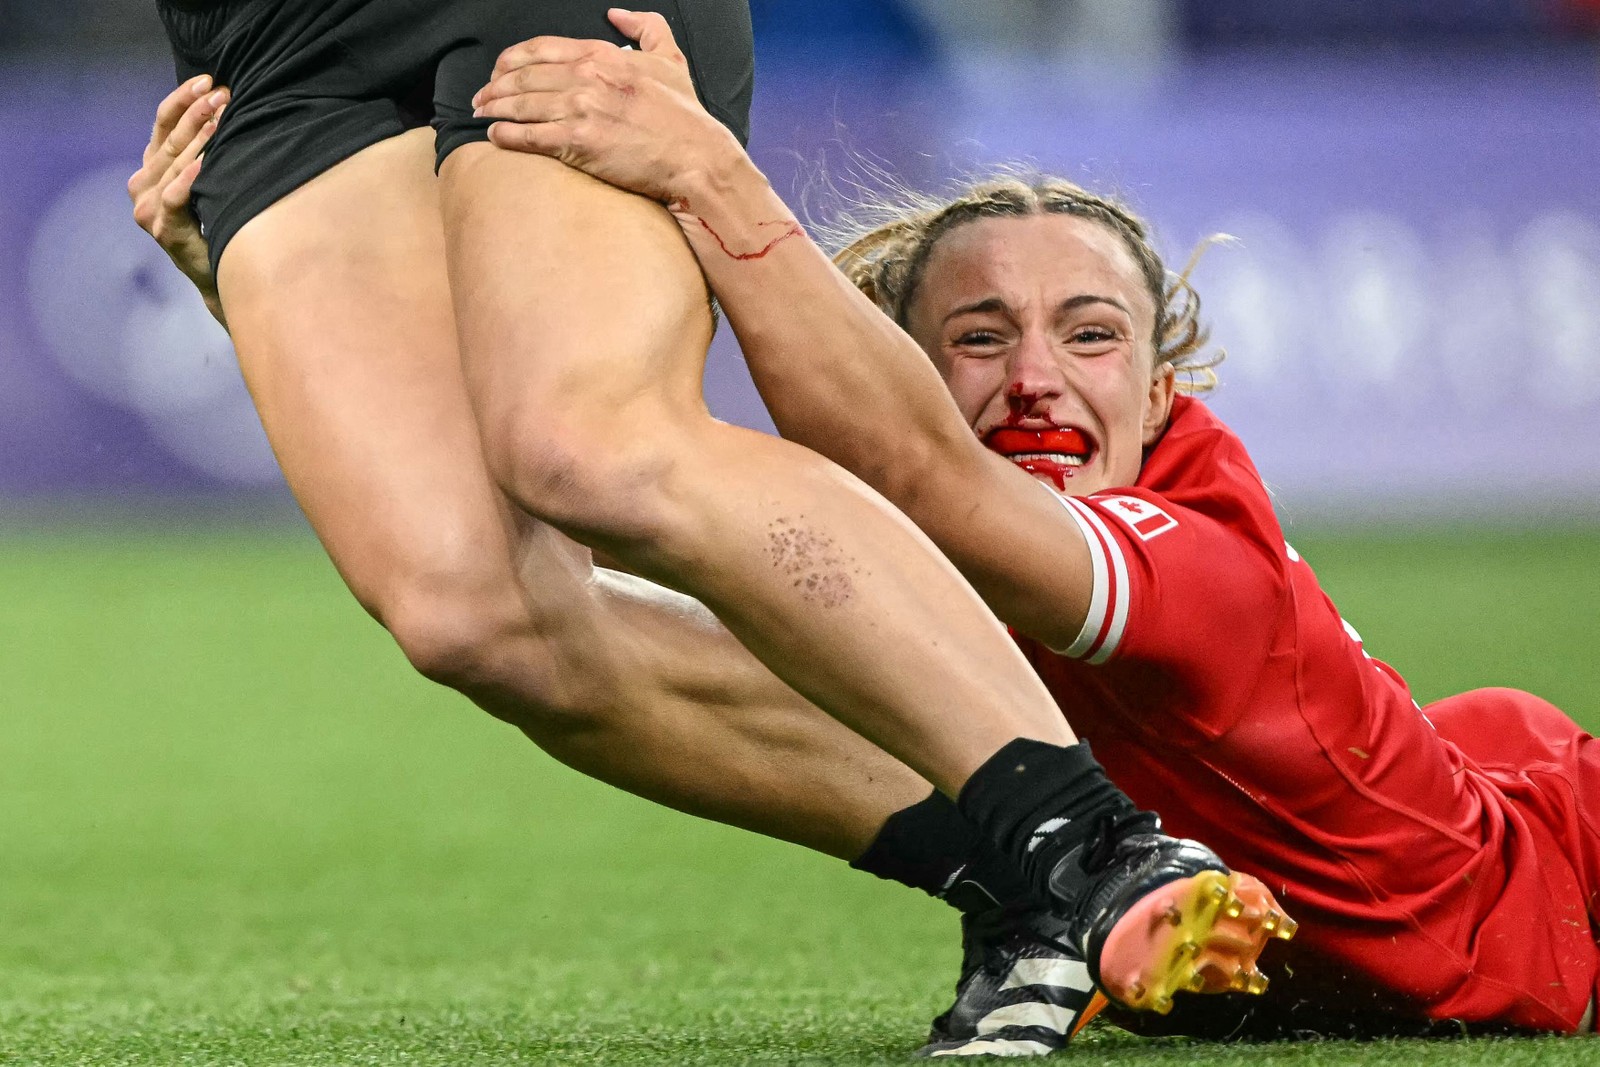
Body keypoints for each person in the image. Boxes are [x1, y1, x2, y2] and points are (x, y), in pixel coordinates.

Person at [131, 0, 1289, 1052]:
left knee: (588, 442)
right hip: (267, 48)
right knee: (468, 608)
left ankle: (1096, 843)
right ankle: (1015, 877)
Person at [454, 15, 1600, 1042]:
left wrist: (705, 171)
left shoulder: (1200, 568)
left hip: (1551, 886)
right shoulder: (885, 580)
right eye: (981, 338)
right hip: (1423, 787)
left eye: (1092, 335)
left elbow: (919, 469)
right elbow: (574, 621)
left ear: (1161, 393)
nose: (1038, 381)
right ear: (901, 367)